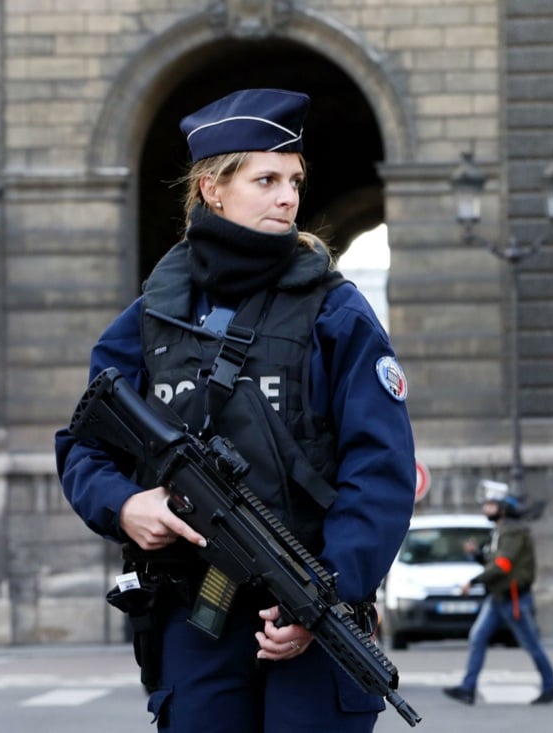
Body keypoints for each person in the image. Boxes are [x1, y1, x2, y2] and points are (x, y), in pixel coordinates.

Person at [54, 88, 416, 733]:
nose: (288, 197)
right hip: (194, 614)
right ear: (213, 189)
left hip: (307, 604)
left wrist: (328, 593)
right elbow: (84, 446)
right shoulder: (152, 316)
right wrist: (125, 506)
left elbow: (380, 468)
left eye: (295, 181)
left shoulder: (337, 312)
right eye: (267, 179)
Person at [443, 480, 553, 706]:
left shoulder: (512, 531)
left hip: (514, 598)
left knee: (531, 644)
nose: (485, 509)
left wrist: (473, 581)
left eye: (490, 505)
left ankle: (551, 686)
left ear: (503, 508)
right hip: (498, 597)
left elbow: (503, 566)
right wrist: (478, 555)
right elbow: (495, 562)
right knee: (478, 637)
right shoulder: (502, 530)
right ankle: (468, 689)